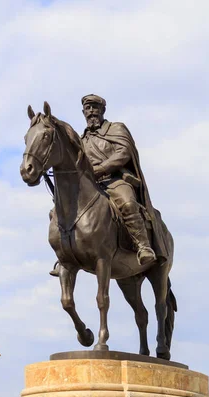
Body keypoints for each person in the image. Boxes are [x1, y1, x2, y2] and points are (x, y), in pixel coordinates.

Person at [50, 94, 169, 276]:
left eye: (95, 108)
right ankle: (65, 255)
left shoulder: (116, 129)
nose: (91, 112)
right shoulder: (82, 141)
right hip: (93, 186)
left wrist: (101, 168)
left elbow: (124, 152)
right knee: (58, 211)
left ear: (102, 110)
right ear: (83, 112)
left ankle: (143, 246)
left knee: (128, 204)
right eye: (88, 109)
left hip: (116, 180)